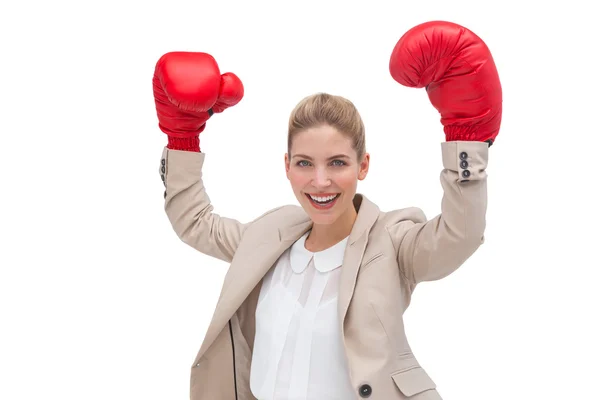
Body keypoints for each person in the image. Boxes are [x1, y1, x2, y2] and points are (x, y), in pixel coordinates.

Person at [154, 20, 501, 400]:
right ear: (286, 165)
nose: (320, 181)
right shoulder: (269, 237)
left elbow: (460, 234)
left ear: (363, 166)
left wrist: (466, 138)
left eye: (337, 163)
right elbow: (195, 222)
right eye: (304, 163)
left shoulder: (393, 243)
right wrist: (182, 137)